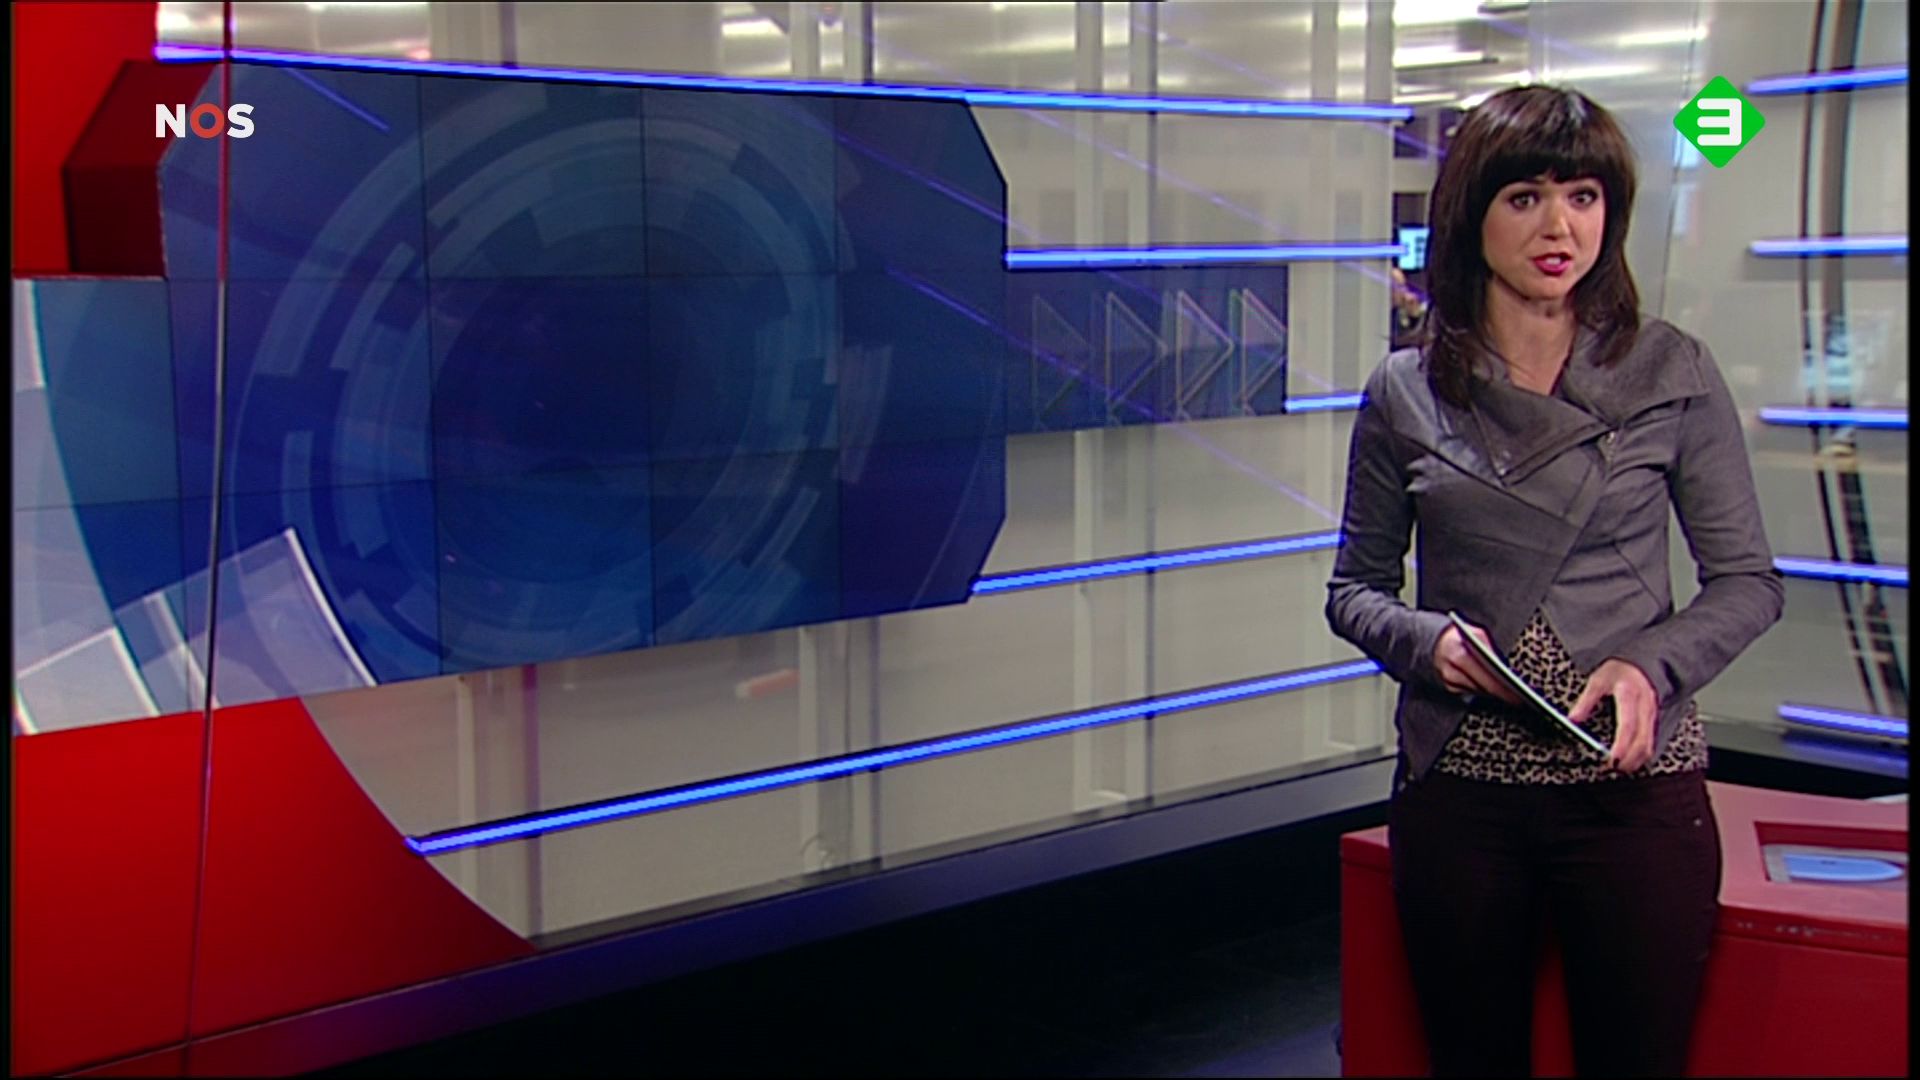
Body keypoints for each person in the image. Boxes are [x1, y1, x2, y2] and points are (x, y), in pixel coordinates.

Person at [1324, 85, 1783, 1077]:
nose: (1559, 227)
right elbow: (1354, 589)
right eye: (1525, 197)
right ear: (1472, 214)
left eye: (1583, 197)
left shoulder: (1672, 370)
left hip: (1632, 790)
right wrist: (1430, 646)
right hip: (1462, 791)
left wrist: (1651, 667)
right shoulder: (1405, 391)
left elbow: (1748, 580)